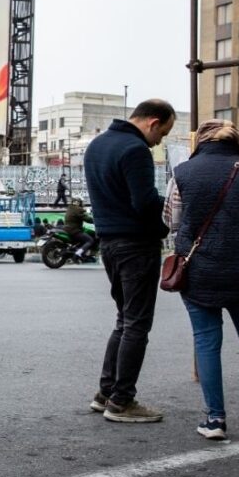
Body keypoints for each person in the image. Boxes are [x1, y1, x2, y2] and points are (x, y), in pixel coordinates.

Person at [163, 119, 239, 440]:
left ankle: (215, 420)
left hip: (198, 273)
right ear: (236, 143)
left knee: (207, 342)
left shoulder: (182, 174)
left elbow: (172, 222)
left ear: (201, 143)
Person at [82, 99, 176, 423]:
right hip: (136, 245)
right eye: (162, 133)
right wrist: (170, 214)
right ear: (153, 122)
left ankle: (105, 392)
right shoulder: (136, 150)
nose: (160, 140)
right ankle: (122, 401)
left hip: (108, 243)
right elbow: (145, 203)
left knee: (124, 319)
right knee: (136, 323)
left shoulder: (97, 145)